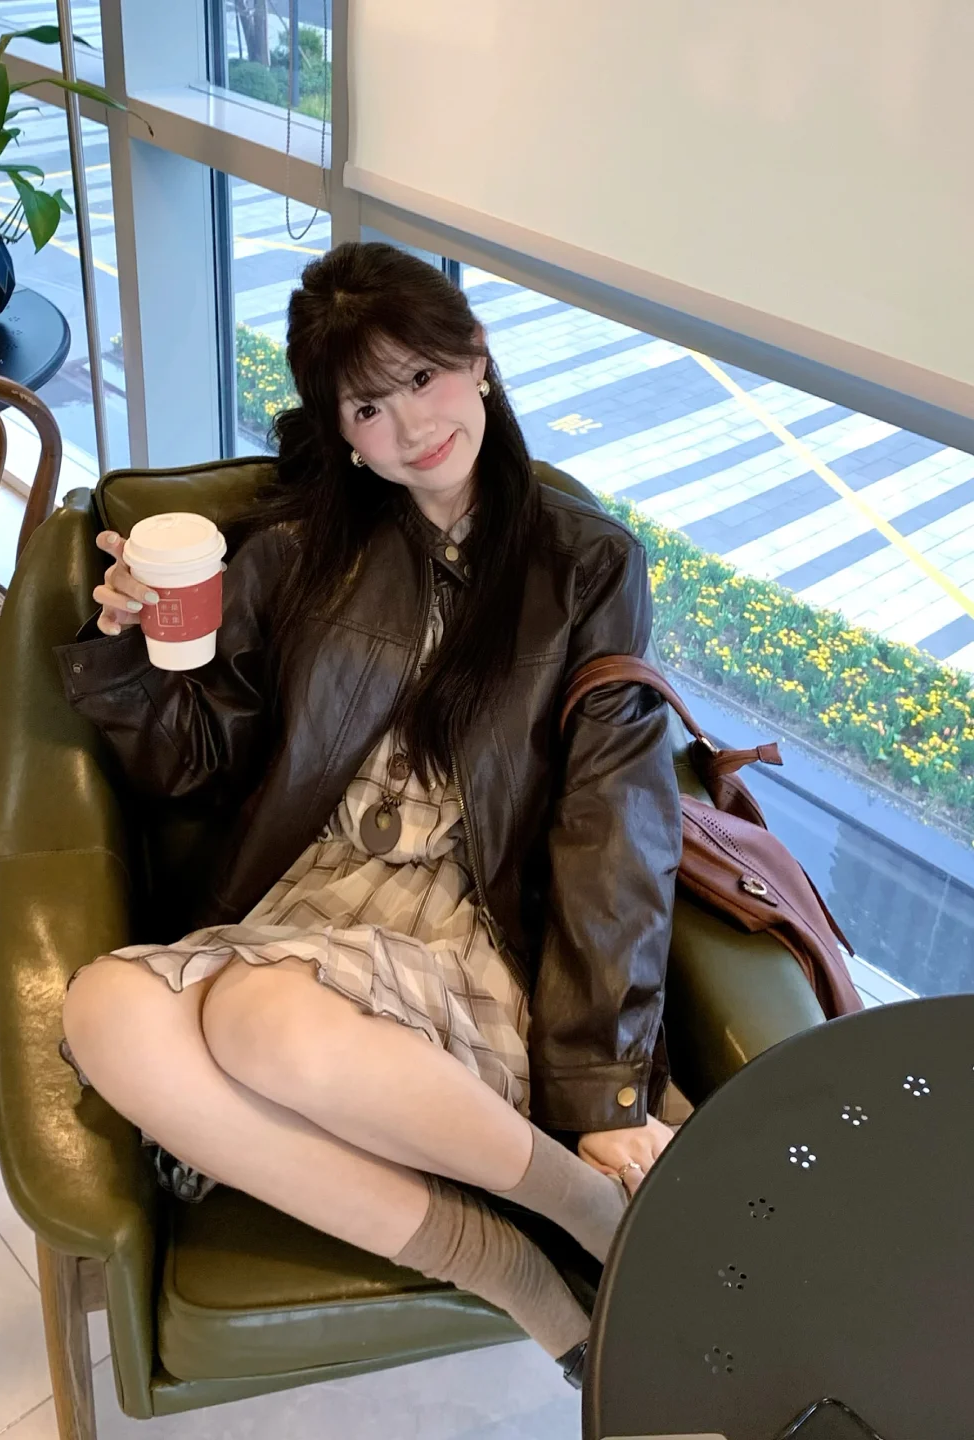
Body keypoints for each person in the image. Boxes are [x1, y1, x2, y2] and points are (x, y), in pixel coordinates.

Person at [57, 241, 683, 1387]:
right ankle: (514, 1258)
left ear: (477, 357)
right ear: (341, 432)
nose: (409, 425)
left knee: (265, 1025)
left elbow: (614, 822)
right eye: (367, 406)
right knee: (103, 1010)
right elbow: (193, 766)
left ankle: (591, 1217)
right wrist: (126, 648)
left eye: (423, 377)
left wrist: (604, 1083)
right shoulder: (300, 549)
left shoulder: (586, 564)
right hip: (311, 900)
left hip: (471, 924)